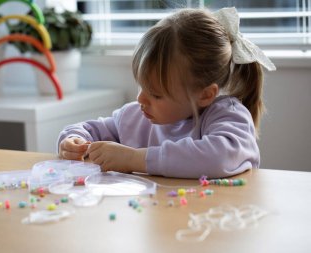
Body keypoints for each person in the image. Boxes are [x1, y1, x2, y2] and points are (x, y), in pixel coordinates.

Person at [56, 7, 276, 179]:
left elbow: (221, 156)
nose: (140, 99)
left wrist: (135, 159)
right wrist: (73, 141)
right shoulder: (135, 117)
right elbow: (87, 129)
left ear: (205, 95)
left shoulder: (226, 115)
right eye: (142, 86)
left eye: (157, 94)